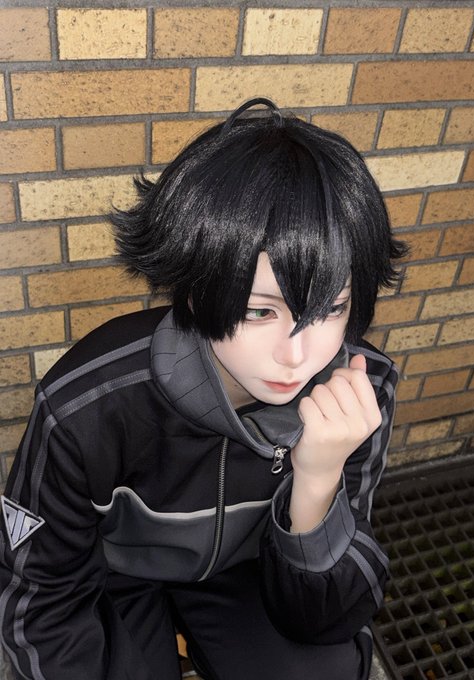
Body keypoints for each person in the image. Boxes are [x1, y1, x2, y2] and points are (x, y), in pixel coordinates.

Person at [0, 98, 406, 680]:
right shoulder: (86, 406)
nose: (296, 354)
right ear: (195, 289)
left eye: (328, 310)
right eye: (259, 311)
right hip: (112, 577)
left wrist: (317, 484)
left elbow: (330, 618)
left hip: (255, 572)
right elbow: (39, 600)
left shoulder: (356, 390)